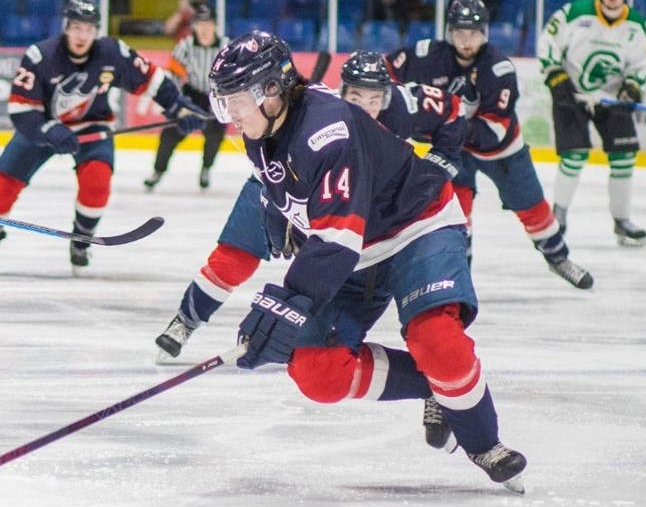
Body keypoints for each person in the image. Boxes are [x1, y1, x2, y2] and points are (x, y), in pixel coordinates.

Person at [202, 31, 527, 492]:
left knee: (435, 339)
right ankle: (437, 388)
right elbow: (306, 206)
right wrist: (280, 214)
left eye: (237, 100)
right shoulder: (263, 128)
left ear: (272, 91)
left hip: (418, 225)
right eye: (225, 101)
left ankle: (482, 441)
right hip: (355, 247)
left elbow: (335, 242)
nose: (230, 113)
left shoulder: (325, 131)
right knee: (318, 371)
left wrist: (285, 300)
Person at [153, 48, 469, 371]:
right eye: (357, 96)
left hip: (344, 203)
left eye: (376, 98)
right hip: (282, 178)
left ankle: (437, 366)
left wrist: (442, 163)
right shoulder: (325, 120)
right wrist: (276, 207)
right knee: (235, 253)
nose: (367, 106)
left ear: (388, 94)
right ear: (342, 89)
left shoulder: (404, 105)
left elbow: (454, 112)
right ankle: (186, 320)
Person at [0, 0, 195, 272]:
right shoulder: (40, 56)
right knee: (2, 187)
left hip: (92, 126)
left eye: (89, 29)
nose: (83, 36)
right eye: (77, 28)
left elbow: (152, 80)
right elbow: (21, 109)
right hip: (42, 127)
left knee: (97, 181)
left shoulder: (112, 52)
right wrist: (50, 130)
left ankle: (80, 242)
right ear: (66, 28)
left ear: (97, 31)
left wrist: (178, 107)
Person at [390, 0, 591, 288]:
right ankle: (458, 275)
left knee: (531, 205)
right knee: (455, 211)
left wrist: (442, 126)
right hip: (453, 149)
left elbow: (496, 128)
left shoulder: (499, 69)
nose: (466, 40)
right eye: (459, 33)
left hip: (501, 151)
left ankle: (558, 258)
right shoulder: (426, 55)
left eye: (473, 33)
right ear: (449, 32)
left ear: (484, 32)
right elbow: (387, 72)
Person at [538, 0, 646, 248]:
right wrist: (555, 74)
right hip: (572, 94)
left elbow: (643, 63)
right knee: (574, 155)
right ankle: (559, 216)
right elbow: (548, 43)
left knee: (624, 157)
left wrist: (632, 86)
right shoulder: (576, 12)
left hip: (611, 98)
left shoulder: (639, 26)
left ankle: (622, 221)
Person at [144, 4, 226, 192]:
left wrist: (224, 102)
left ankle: (206, 168)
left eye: (208, 24)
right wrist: (180, 105)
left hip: (218, 95)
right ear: (194, 27)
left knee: (215, 133)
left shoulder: (226, 47)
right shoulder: (185, 46)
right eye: (200, 24)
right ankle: (158, 171)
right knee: (170, 133)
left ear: (215, 26)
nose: (204, 29)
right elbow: (172, 78)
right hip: (192, 94)